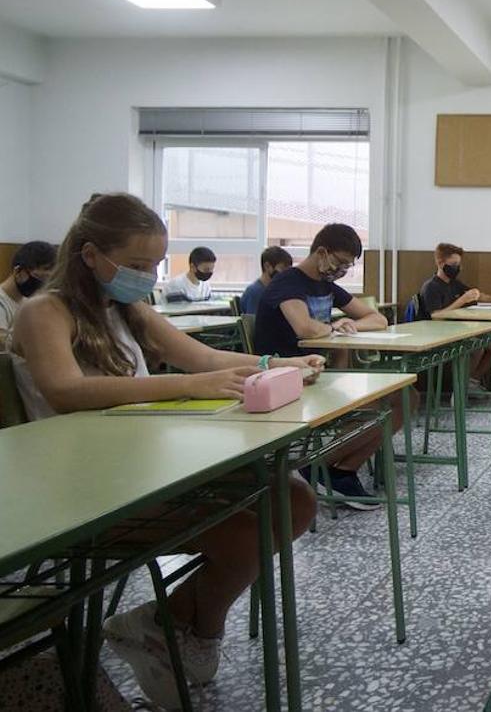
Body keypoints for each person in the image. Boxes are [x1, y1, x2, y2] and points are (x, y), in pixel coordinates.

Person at [7, 193, 321, 708]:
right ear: (90, 255)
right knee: (252, 528)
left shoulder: (126, 309)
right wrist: (185, 386)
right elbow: (65, 390)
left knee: (295, 499)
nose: (147, 276)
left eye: (154, 264)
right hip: (84, 488)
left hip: (140, 465)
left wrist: (275, 364)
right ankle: (187, 628)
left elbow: (201, 357)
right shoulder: (45, 311)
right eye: (136, 264)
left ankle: (162, 622)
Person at [253, 223, 390, 509]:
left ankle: (336, 470)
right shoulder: (288, 283)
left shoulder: (326, 285)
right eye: (340, 263)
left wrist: (350, 324)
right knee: (382, 407)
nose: (342, 270)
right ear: (322, 252)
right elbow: (304, 328)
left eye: (348, 266)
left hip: (319, 373)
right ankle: (319, 467)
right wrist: (333, 327)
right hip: (286, 377)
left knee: (401, 399)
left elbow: (379, 320)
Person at [416, 242, 491, 384]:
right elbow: (436, 316)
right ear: (440, 263)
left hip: (458, 330)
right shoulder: (431, 287)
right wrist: (463, 300)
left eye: (458, 264)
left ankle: (473, 380)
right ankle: (461, 387)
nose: (457, 268)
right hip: (439, 334)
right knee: (476, 348)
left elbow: (475, 294)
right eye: (454, 264)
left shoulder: (454, 283)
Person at [0, 240, 57, 345]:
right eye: (40, 278)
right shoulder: (2, 302)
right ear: (18, 271)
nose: (42, 286)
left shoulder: (28, 301)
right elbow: (2, 343)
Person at [239, 245, 293, 315]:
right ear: (267, 266)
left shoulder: (276, 291)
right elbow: (255, 321)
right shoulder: (255, 292)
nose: (287, 273)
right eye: (283, 268)